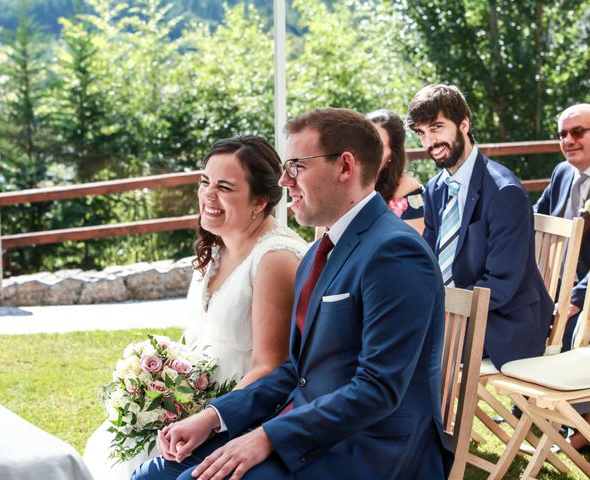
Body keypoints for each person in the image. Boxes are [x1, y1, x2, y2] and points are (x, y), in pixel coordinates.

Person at [132, 107, 451, 480]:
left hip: (370, 449)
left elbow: (378, 390)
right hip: (304, 428)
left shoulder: (394, 251)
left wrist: (266, 437)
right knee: (153, 474)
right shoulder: (321, 250)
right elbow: (297, 371)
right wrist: (214, 417)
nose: (283, 181)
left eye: (296, 166)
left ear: (345, 167)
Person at [83, 135, 307, 479]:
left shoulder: (274, 259)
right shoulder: (217, 246)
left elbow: (271, 365)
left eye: (224, 187)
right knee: (111, 449)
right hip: (192, 405)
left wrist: (207, 415)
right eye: (205, 182)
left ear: (260, 201)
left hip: (239, 413)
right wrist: (163, 383)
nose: (208, 195)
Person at [407, 83, 554, 371]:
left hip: (503, 323)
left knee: (406, 351)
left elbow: (501, 284)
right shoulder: (437, 188)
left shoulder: (504, 191)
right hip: (457, 313)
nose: (429, 142)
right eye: (421, 133)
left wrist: (440, 312)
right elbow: (429, 259)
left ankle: (433, 417)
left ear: (464, 123)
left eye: (437, 127)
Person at [534, 103, 590, 451]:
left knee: (568, 327)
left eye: (578, 132)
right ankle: (533, 408)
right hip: (552, 281)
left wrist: (577, 298)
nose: (568, 140)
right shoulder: (561, 173)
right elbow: (535, 218)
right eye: (562, 134)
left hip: (585, 290)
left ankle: (580, 420)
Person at [367, 109, 425, 234]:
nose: (369, 152)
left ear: (392, 154)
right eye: (365, 142)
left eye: (378, 146)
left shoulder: (406, 188)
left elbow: (415, 248)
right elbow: (321, 243)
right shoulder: (342, 181)